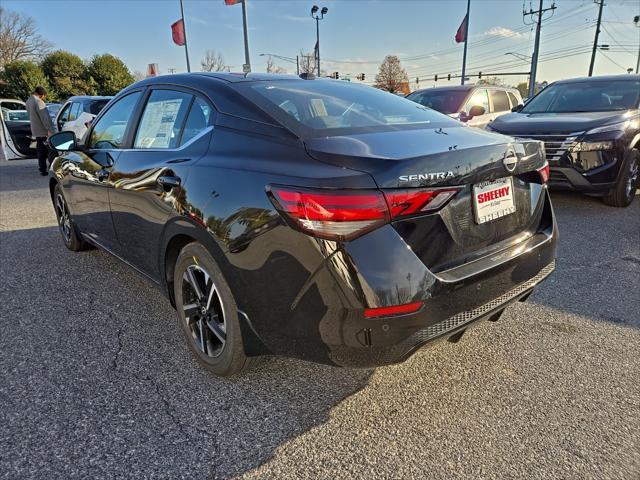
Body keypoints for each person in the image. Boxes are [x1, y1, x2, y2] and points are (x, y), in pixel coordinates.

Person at [25, 86, 55, 175]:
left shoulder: (29, 101)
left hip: (36, 130)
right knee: (51, 150)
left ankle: (42, 169)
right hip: (44, 131)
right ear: (42, 95)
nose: (44, 98)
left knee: (40, 150)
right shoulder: (39, 102)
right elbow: (45, 118)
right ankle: (52, 168)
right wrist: (49, 130)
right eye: (45, 96)